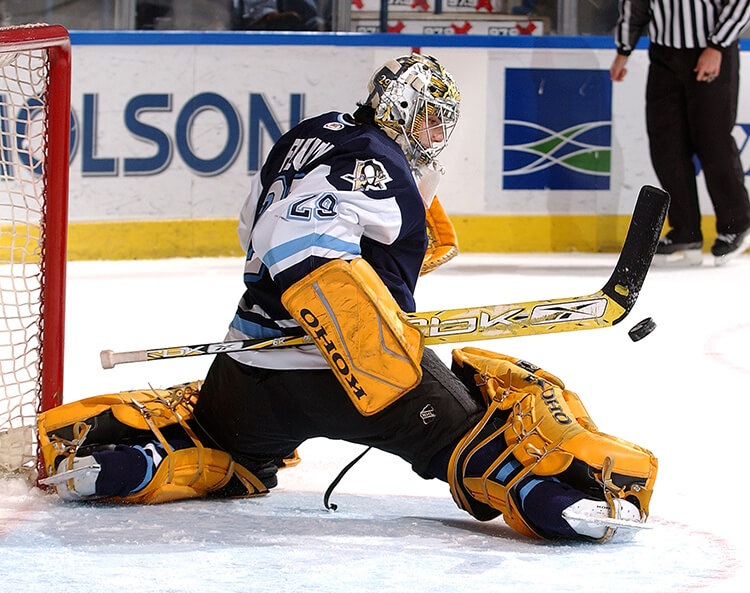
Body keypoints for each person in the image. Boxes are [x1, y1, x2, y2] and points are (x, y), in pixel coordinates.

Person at [37, 54, 657, 542]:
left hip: (249, 365)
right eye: (430, 118)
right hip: (350, 374)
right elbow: (302, 244)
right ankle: (554, 503)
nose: (437, 133)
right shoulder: (376, 160)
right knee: (487, 435)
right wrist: (364, 339)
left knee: (219, 442)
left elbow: (254, 227)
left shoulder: (314, 134)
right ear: (400, 109)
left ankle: (122, 467)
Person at [611, 0, 750, 266]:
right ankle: (685, 230)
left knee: (713, 140)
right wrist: (623, 49)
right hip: (664, 55)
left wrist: (717, 45)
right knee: (666, 144)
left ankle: (736, 223)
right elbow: (636, 4)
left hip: (709, 50)